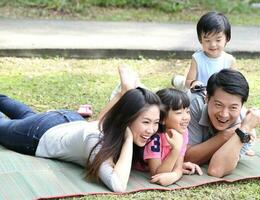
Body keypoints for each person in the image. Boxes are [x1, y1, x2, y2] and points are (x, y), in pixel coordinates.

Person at [0, 66, 162, 192]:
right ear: (126, 119)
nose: (151, 129)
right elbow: (118, 185)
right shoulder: (96, 141)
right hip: (40, 133)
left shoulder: (111, 127)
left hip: (68, 120)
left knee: (26, 114)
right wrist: (127, 140)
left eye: (156, 122)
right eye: (146, 122)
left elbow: (101, 121)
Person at [184, 69, 260, 178]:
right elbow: (185, 158)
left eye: (233, 107)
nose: (224, 114)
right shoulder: (191, 106)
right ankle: (181, 81)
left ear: (241, 105)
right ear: (207, 98)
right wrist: (226, 135)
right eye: (218, 105)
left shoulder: (246, 126)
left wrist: (242, 130)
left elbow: (216, 170)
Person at [143, 88, 202, 186]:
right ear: (162, 118)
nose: (186, 117)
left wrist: (175, 175)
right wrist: (176, 149)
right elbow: (157, 174)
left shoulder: (183, 133)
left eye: (187, 111)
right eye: (179, 113)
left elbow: (178, 167)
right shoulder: (155, 138)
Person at [172, 11, 235, 90]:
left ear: (227, 38)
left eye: (218, 40)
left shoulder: (229, 60)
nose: (213, 44)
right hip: (200, 93)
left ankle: (179, 80)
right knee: (184, 87)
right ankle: (178, 81)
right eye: (207, 40)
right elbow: (188, 82)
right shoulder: (197, 58)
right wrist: (193, 83)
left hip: (219, 97)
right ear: (200, 40)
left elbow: (233, 83)